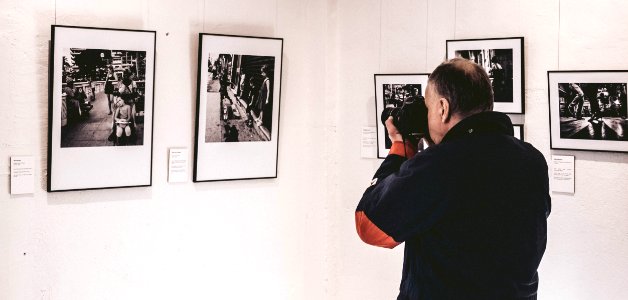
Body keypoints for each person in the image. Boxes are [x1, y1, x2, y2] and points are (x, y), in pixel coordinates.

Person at [355, 58, 551, 299]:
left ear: (442, 108)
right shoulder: (531, 160)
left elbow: (369, 225)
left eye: (427, 107)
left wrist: (400, 146)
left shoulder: (438, 165)